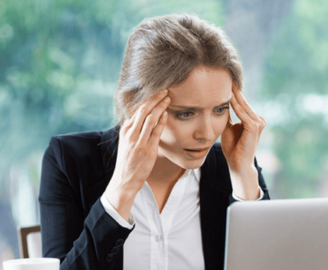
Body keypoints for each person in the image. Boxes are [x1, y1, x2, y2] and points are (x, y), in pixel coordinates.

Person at [39, 14, 270, 270]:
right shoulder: (69, 162)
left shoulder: (236, 166)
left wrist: (243, 178)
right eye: (186, 113)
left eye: (219, 109)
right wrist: (123, 188)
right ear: (133, 104)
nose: (206, 133)